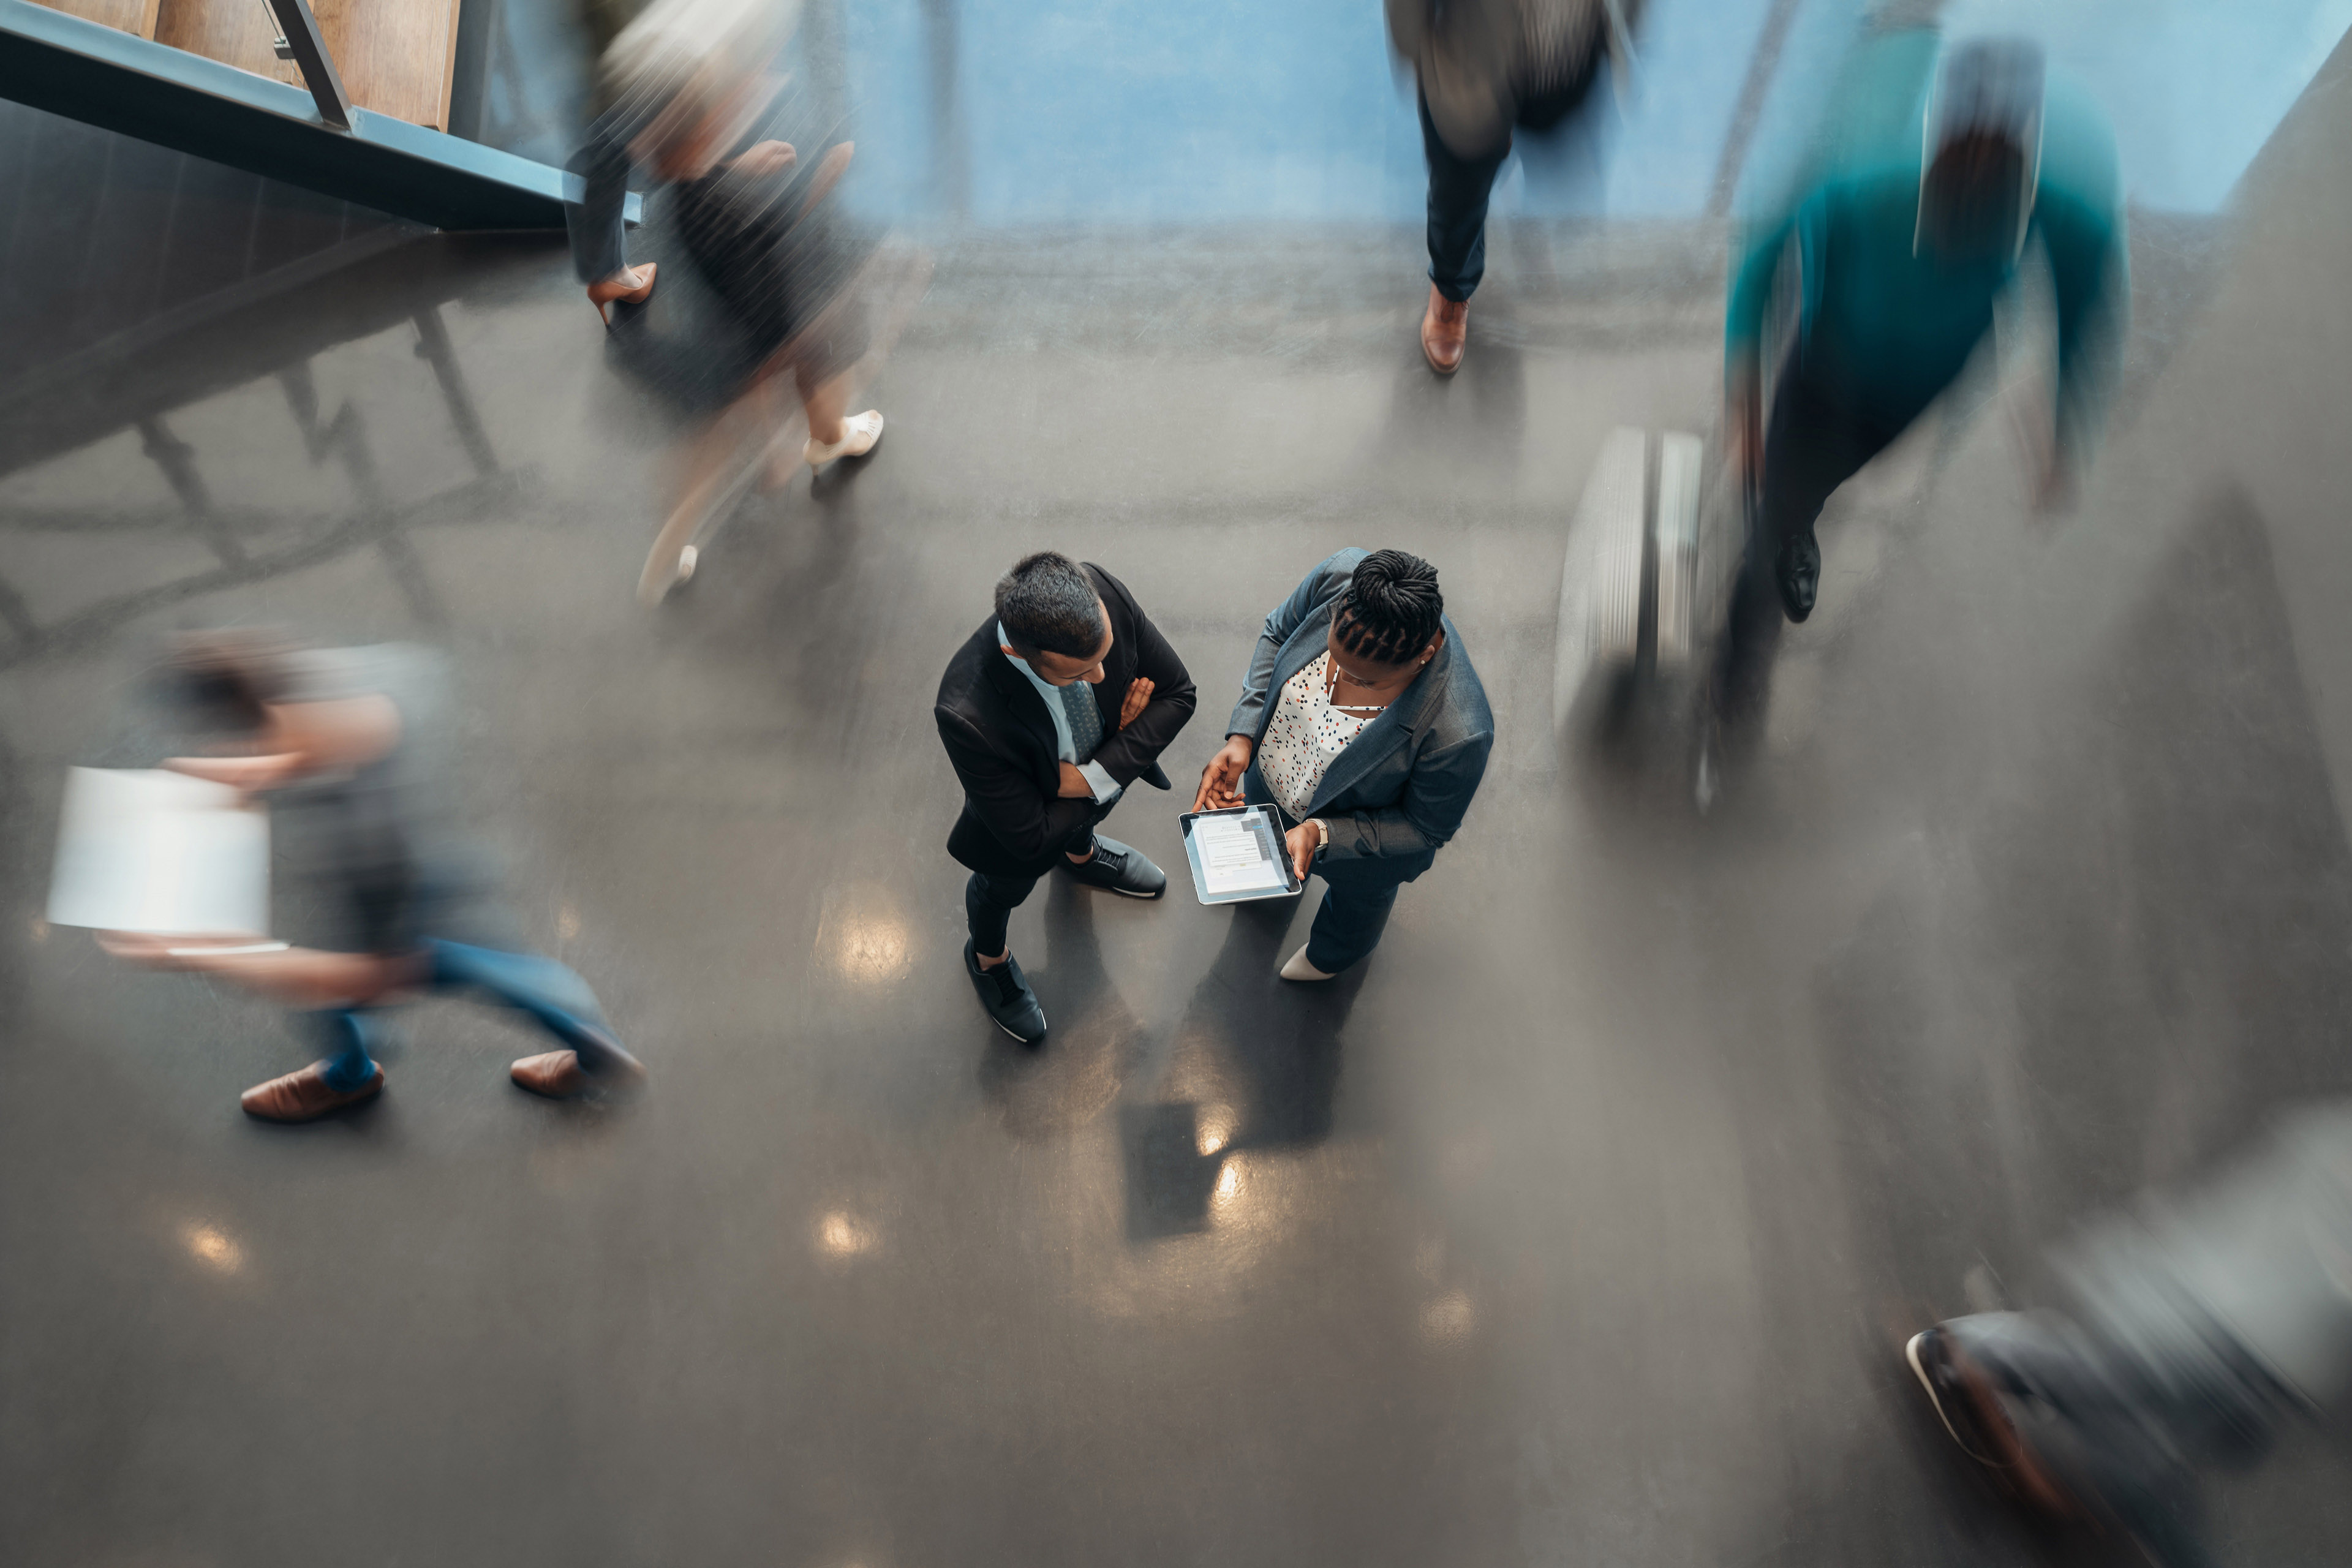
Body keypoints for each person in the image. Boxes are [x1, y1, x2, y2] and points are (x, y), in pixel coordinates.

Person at [95, 634, 649, 1122]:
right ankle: (595, 1052)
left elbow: (356, 975)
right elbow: (334, 742)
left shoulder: (373, 839)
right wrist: (242, 772)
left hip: (403, 910)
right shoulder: (357, 682)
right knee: (488, 966)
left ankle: (353, 1076)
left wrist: (187, 952)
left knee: (418, 975)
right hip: (422, 876)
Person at [1723, 32, 2126, 642]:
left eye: (1997, 174)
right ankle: (1737, 676)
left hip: (1914, 392)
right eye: (1966, 168)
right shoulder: (1869, 176)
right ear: (1940, 144)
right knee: (1776, 508)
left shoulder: (2046, 205)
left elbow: (2083, 282)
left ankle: (1797, 520)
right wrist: (1743, 387)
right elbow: (1764, 248)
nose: (1976, 193)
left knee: (1828, 476)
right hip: (1826, 373)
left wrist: (2061, 417)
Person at [1908, 1104, 2352, 1568]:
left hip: (2239, 1351)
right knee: (2110, 1382)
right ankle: (1969, 1352)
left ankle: (2085, 1468)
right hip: (2215, 1332)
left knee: (2148, 1450)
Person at [567, 0, 885, 603]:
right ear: (707, 125)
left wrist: (734, 164)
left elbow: (674, 163)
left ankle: (820, 439)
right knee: (786, 381)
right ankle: (822, 437)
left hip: (736, 306)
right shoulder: (725, 210)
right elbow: (778, 283)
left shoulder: (686, 182)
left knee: (776, 385)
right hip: (766, 315)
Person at [1192, 549, 1491, 980]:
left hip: (1356, 845)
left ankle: (1331, 956)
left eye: (1366, 681)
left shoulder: (1458, 732)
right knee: (1267, 858)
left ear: (1423, 657)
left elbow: (1425, 828)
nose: (1339, 680)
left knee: (1356, 908)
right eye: (1332, 654)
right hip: (1272, 778)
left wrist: (1322, 832)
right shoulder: (1339, 576)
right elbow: (1278, 633)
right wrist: (1244, 735)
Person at [936, 552, 1197, 1044]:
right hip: (1015, 838)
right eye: (1079, 674)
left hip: (1075, 789)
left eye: (1106, 657)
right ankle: (987, 959)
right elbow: (1031, 838)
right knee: (1002, 890)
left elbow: (1179, 694)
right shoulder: (966, 712)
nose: (1101, 679)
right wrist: (1124, 745)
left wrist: (1091, 776)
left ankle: (1081, 854)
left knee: (1080, 822)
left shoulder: (1102, 591)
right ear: (1020, 656)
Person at [1387, 0, 1635, 374]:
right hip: (1470, 57)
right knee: (1459, 192)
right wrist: (1414, 43)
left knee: (1539, 137)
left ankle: (1503, 159)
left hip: (1562, 50)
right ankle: (1453, 286)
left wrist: (1624, 22)